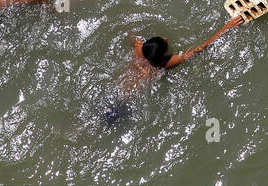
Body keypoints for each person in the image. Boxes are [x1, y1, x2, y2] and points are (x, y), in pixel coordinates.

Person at [100, 15, 244, 123]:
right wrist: (227, 27)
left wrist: (128, 29)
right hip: (124, 104)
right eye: (164, 42)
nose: (166, 38)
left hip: (113, 94)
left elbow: (130, 34)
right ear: (162, 55)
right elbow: (200, 48)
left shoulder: (139, 49)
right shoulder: (164, 63)